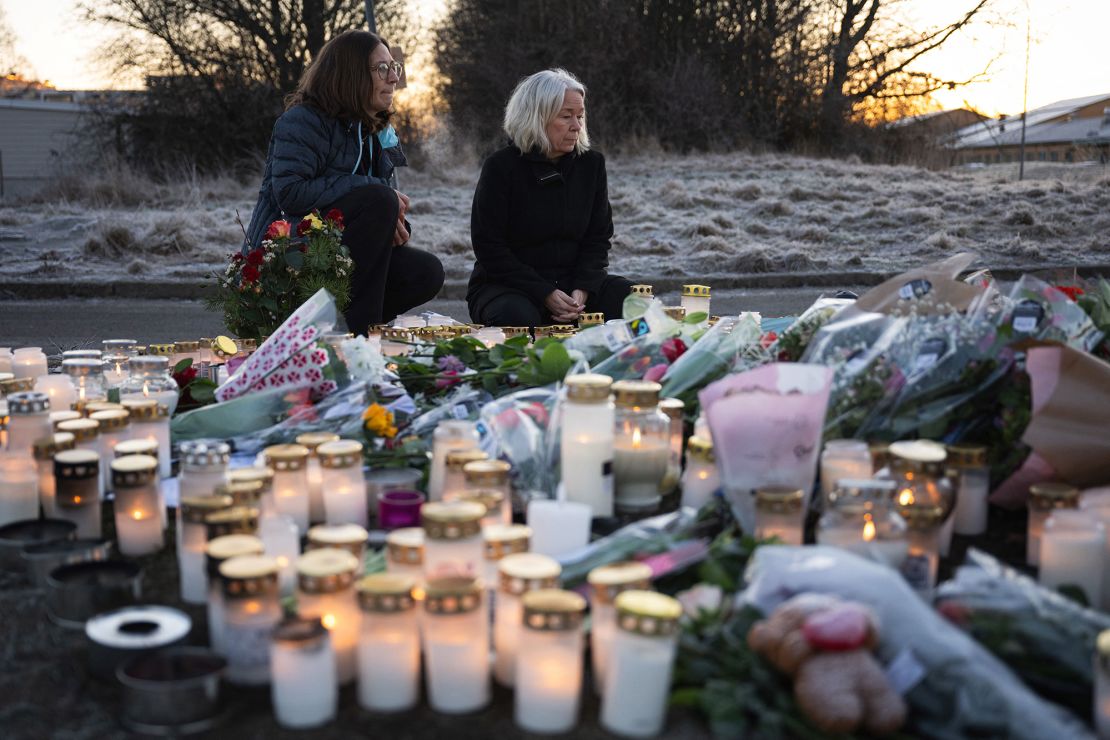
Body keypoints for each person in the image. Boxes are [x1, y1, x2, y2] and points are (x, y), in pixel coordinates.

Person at [244, 30, 444, 335]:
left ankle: (339, 329)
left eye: (395, 68)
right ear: (352, 75)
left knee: (426, 272)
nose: (393, 78)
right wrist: (376, 196)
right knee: (379, 198)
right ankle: (359, 339)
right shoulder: (302, 120)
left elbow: (375, 205)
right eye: (382, 69)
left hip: (342, 250)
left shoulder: (372, 131)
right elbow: (290, 194)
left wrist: (395, 223)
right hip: (292, 251)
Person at [467, 69, 633, 327]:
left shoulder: (591, 165)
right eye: (566, 116)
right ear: (536, 117)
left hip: (574, 287)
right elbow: (490, 247)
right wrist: (544, 293)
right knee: (517, 317)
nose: (576, 126)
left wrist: (583, 290)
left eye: (580, 116)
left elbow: (598, 239)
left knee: (637, 301)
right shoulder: (501, 167)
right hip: (509, 287)